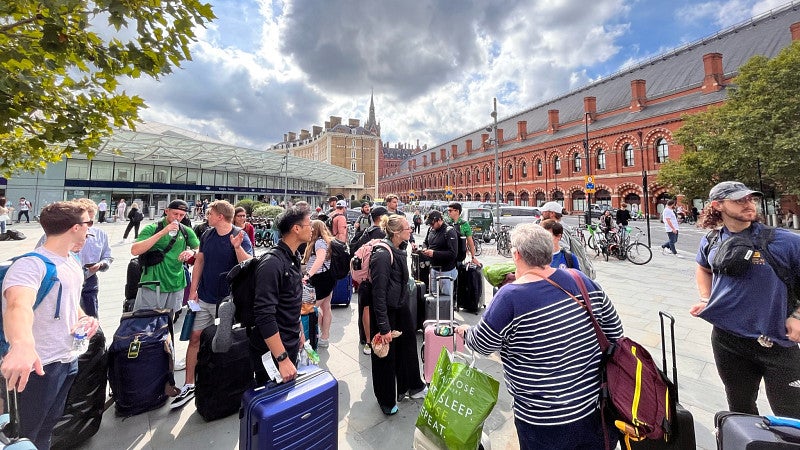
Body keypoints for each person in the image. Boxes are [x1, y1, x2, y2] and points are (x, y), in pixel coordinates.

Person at [456, 223, 623, 449]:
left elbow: (483, 344)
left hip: (542, 420)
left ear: (516, 255)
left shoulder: (510, 296)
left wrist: (465, 332)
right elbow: (615, 332)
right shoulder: (581, 280)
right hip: (594, 406)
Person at [689, 181, 800, 418]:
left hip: (777, 342)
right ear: (718, 205)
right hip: (727, 341)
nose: (749, 204)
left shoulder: (784, 241)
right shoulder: (711, 240)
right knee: (740, 408)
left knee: (791, 415)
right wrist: (706, 298)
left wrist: (797, 315)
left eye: (751, 199)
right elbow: (702, 268)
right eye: (739, 200)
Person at [1, 201, 100, 449]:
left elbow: (68, 301)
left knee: (47, 427)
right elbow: (17, 305)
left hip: (66, 359)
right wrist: (22, 344)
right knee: (25, 435)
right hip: (37, 367)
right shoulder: (30, 265)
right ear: (76, 227)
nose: (90, 230)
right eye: (88, 224)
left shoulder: (72, 261)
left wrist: (83, 318)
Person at [172, 200, 252, 409]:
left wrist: (237, 248)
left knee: (226, 340)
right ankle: (189, 383)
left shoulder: (238, 235)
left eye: (210, 212)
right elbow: (200, 260)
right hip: (206, 298)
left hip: (228, 302)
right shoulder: (207, 234)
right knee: (195, 337)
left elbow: (248, 264)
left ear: (220, 216)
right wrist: (193, 289)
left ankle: (225, 379)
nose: (207, 215)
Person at [368, 214, 427, 415]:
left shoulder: (400, 248)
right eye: (407, 228)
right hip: (386, 311)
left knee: (408, 346)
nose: (410, 230)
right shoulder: (382, 255)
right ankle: (386, 400)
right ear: (395, 232)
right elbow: (378, 294)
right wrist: (384, 327)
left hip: (399, 307)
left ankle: (412, 386)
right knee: (385, 357)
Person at [250, 206, 312, 384]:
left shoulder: (293, 257)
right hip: (273, 351)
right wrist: (282, 358)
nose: (312, 228)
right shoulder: (272, 264)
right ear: (296, 228)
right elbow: (264, 315)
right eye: (309, 224)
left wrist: (300, 332)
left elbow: (291, 301)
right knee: (273, 402)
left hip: (290, 341)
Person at [130, 199, 200, 312]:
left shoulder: (186, 231)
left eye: (181, 215)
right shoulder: (152, 228)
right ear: (167, 211)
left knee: (171, 320)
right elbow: (135, 250)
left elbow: (199, 248)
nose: (178, 217)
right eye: (175, 214)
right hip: (153, 283)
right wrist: (163, 232)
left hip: (176, 283)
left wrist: (192, 252)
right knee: (147, 319)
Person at [350, 206, 389, 355]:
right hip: (374, 277)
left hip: (362, 279)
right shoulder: (381, 233)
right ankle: (371, 339)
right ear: (381, 217)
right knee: (373, 308)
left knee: (364, 308)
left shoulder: (366, 231)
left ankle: (364, 338)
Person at [302, 220, 336, 348]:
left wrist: (308, 274)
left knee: (312, 308)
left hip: (319, 279)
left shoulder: (319, 242)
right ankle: (324, 337)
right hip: (327, 277)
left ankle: (314, 335)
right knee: (326, 307)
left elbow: (320, 259)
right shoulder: (327, 241)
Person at [420, 210, 458, 296]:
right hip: (433, 269)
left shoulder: (449, 232)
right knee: (434, 298)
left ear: (440, 220)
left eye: (432, 224)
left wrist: (434, 253)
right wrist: (424, 248)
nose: (431, 226)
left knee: (446, 300)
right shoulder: (430, 230)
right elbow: (425, 242)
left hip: (446, 271)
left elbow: (453, 254)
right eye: (430, 224)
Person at [446, 202, 481, 266]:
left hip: (460, 255)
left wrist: (473, 257)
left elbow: (470, 241)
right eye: (448, 210)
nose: (448, 212)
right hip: (448, 255)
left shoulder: (464, 224)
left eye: (450, 211)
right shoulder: (446, 223)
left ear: (457, 211)